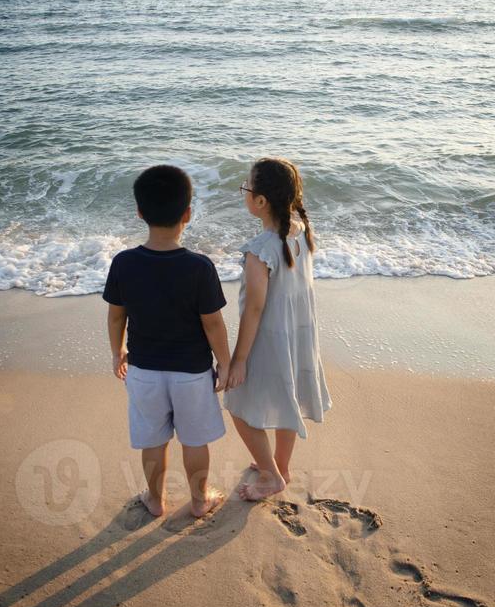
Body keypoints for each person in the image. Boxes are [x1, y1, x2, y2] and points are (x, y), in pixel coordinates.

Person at [103, 165, 230, 518]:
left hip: (143, 370)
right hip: (191, 372)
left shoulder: (124, 263)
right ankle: (200, 499)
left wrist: (118, 353)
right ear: (187, 214)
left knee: (153, 441)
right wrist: (226, 362)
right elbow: (213, 323)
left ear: (140, 212)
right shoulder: (199, 267)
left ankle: (155, 500)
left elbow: (116, 316)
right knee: (194, 440)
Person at [224, 157, 332, 501]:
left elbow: (254, 309)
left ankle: (271, 474)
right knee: (290, 399)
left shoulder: (260, 250)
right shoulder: (300, 232)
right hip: (299, 334)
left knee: (237, 403)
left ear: (260, 201)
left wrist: (239, 359)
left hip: (270, 337)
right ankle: (280, 466)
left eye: (246, 187)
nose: (244, 192)